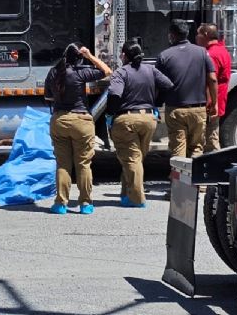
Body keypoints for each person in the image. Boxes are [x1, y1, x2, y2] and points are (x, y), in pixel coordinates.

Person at [43, 43, 112, 215]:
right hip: (81, 121)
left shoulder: (53, 72)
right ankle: (86, 204)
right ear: (79, 59)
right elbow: (107, 71)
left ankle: (60, 204)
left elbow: (47, 97)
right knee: (83, 164)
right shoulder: (81, 72)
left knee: (63, 164)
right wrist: (89, 56)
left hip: (59, 120)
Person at [107, 40, 174, 208]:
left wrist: (110, 115)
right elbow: (168, 85)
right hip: (149, 118)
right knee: (136, 158)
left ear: (124, 55)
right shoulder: (151, 70)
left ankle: (137, 198)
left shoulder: (121, 73)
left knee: (131, 159)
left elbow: (115, 95)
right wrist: (156, 103)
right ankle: (127, 192)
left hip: (127, 119)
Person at [156, 21, 218, 159]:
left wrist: (156, 105)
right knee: (197, 147)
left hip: (175, 110)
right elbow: (213, 79)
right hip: (198, 109)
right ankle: (198, 180)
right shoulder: (202, 52)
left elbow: (158, 84)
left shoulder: (164, 56)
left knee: (178, 148)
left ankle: (179, 179)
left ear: (171, 35)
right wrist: (214, 102)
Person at [196, 23, 232, 153]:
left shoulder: (212, 54)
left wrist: (211, 103)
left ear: (205, 35)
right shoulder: (222, 50)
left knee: (210, 140)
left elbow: (211, 80)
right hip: (218, 100)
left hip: (211, 103)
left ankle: (214, 167)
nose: (196, 37)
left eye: (198, 34)